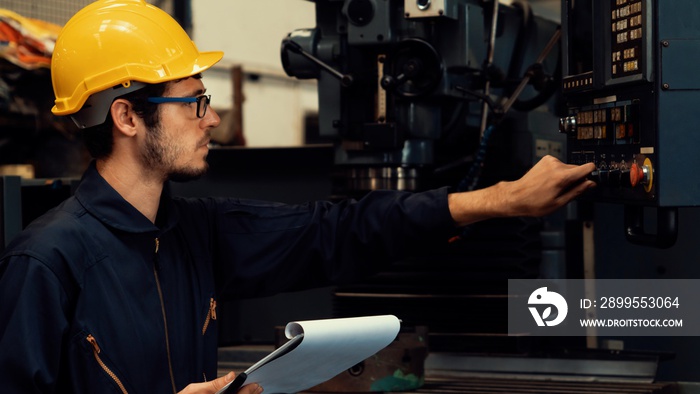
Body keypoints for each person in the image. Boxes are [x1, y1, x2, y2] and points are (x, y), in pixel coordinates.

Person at [0, 1, 596, 393]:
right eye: (195, 102)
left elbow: (336, 230)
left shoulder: (190, 235)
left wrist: (499, 201)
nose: (210, 120)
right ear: (128, 117)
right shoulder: (45, 265)